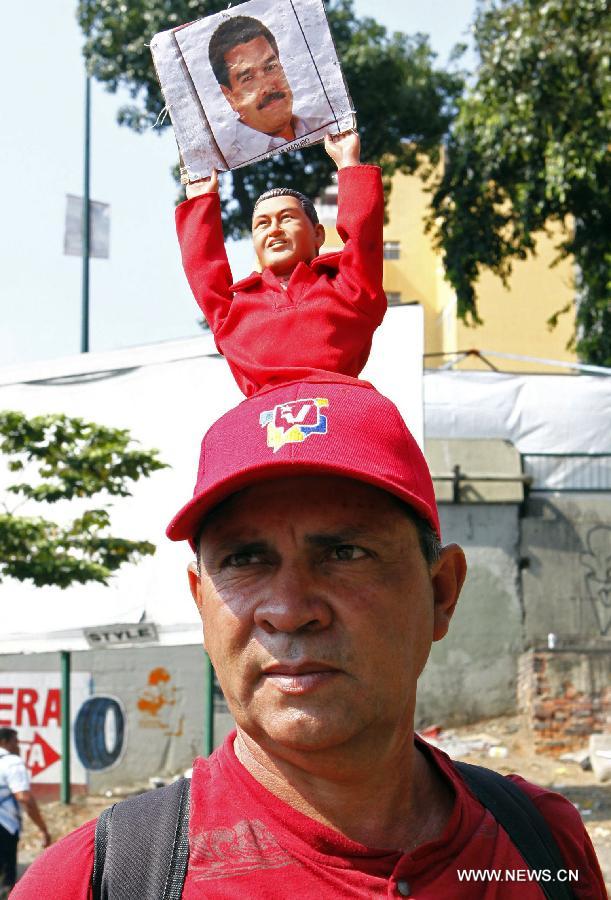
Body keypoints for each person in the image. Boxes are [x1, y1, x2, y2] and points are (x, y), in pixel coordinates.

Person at [12, 378, 606, 897]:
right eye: (245, 559)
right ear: (201, 603)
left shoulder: (541, 850)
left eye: (345, 552)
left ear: (441, 594)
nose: (290, 611)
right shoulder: (97, 881)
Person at [177, 130, 387, 396]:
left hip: (339, 403)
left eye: (286, 218)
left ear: (318, 234)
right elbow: (203, 269)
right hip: (259, 417)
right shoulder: (234, 309)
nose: (274, 230)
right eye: (262, 224)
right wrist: (200, 199)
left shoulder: (350, 290)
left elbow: (364, 237)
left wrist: (347, 162)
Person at [207, 15, 330, 167]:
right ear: (230, 97)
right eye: (248, 78)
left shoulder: (328, 129)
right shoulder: (228, 164)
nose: (267, 86)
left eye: (270, 67)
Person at [0, 728, 50, 895]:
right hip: (4, 827)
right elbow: (24, 798)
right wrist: (43, 828)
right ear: (4, 742)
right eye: (16, 742)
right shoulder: (12, 762)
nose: (19, 746)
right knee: (6, 884)